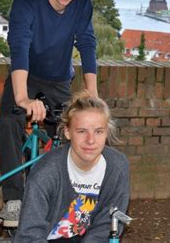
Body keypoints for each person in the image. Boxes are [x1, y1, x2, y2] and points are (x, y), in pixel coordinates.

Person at [0, 0, 98, 227]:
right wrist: (21, 98)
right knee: (9, 120)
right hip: (26, 76)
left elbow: (87, 42)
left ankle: (65, 198)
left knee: (74, 129)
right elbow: (19, 48)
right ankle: (14, 200)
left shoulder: (82, 2)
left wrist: (93, 94)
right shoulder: (26, 4)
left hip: (59, 80)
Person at [14, 90, 130, 242]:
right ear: (67, 132)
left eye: (98, 132)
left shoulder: (117, 167)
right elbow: (29, 234)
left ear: (106, 133)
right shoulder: (46, 171)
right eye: (82, 131)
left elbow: (106, 226)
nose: (91, 140)